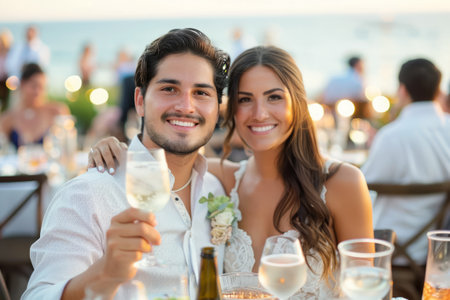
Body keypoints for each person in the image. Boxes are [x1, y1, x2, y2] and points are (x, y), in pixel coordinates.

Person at [89, 46, 374, 298]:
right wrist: (113, 148)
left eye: (274, 97)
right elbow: (159, 157)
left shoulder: (341, 182)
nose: (259, 113)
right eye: (245, 99)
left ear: (297, 104)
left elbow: (366, 291)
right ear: (231, 110)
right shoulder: (220, 178)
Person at [22, 28, 229, 300]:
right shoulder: (86, 195)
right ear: (140, 102)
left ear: (217, 108)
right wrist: (105, 273)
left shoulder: (217, 190)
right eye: (170, 89)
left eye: (201, 93)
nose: (186, 106)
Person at [361, 58, 450, 299]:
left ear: (402, 90)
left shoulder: (392, 136)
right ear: (438, 90)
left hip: (393, 253)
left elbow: (361, 186)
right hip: (440, 256)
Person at [0, 63, 69, 149]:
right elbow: (3, 149)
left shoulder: (56, 111)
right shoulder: (8, 117)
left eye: (42, 87)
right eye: (34, 86)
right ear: (22, 85)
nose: (37, 92)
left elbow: (67, 144)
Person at [321, 56, 368, 120]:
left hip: (331, 111)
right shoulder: (359, 80)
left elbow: (325, 96)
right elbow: (361, 98)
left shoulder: (334, 78)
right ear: (358, 65)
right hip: (351, 113)